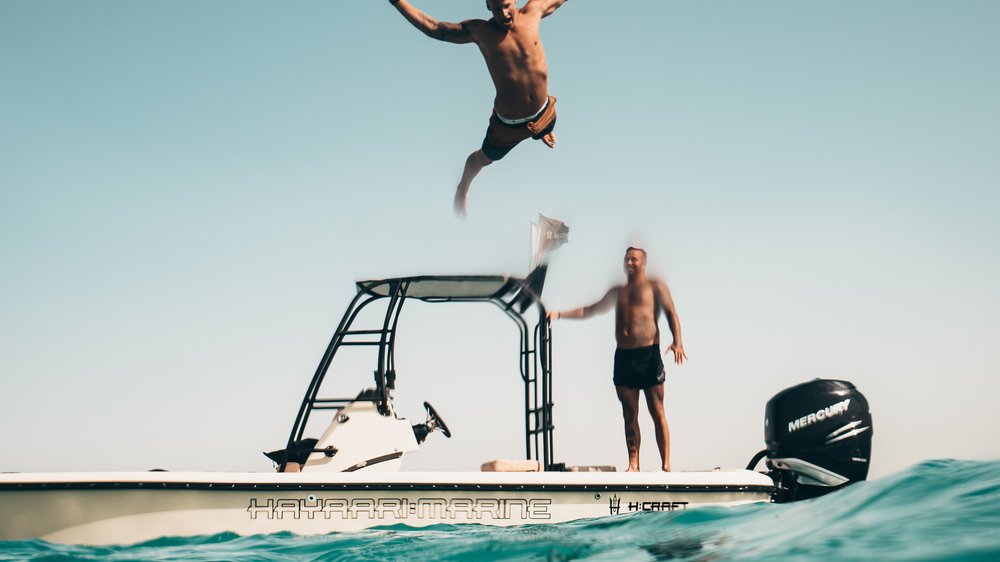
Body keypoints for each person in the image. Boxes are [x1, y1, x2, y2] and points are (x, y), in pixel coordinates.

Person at [389, 0, 570, 218]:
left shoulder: (534, 11)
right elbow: (434, 27)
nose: (503, 14)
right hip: (507, 127)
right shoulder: (480, 31)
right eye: (496, 9)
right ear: (488, 8)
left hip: (544, 114)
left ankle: (541, 130)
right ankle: (463, 186)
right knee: (483, 159)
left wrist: (541, 126)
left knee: (547, 125)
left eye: (506, 6)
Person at [548, 247, 687, 472]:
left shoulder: (656, 287)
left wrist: (678, 341)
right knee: (629, 414)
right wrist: (560, 313)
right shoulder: (617, 292)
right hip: (624, 357)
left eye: (634, 259)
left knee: (657, 411)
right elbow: (590, 309)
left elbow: (672, 314)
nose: (629, 262)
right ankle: (634, 465)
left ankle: (666, 465)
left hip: (649, 354)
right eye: (626, 259)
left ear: (644, 262)